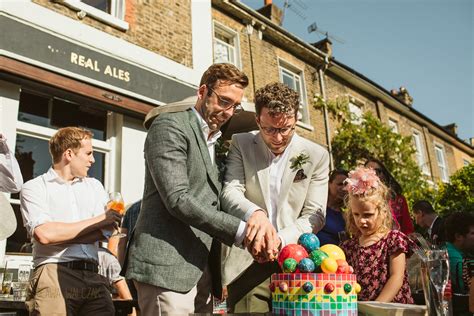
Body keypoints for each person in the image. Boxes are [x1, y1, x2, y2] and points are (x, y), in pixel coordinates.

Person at [126, 63, 277, 315]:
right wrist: (242, 232)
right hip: (166, 268)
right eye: (224, 101)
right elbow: (178, 199)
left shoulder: (215, 141)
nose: (229, 112)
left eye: (235, 106)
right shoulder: (169, 126)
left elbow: (218, 198)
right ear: (203, 91)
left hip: (203, 271)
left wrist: (256, 216)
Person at [220, 82, 330, 313]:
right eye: (269, 129)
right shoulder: (241, 143)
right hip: (248, 260)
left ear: (295, 120)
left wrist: (279, 240)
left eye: (286, 129)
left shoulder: (317, 155)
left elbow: (315, 215)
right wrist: (256, 215)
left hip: (296, 261)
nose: (278, 137)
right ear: (258, 120)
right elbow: (230, 191)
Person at [20, 127, 122, 315]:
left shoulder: (95, 186)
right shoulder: (34, 187)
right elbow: (44, 234)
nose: (92, 160)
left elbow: (108, 230)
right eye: (88, 153)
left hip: (94, 274)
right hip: (53, 272)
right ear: (69, 154)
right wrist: (99, 220)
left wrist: (60, 235)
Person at [341, 166, 414, 303]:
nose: (361, 220)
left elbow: (396, 277)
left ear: (383, 211)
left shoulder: (393, 240)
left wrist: (376, 307)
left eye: (368, 215)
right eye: (356, 214)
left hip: (391, 309)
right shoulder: (349, 246)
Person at [365, 158, 414, 235]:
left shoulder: (398, 200)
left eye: (377, 171)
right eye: (368, 172)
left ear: (384, 175)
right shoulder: (359, 199)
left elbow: (407, 229)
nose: (373, 175)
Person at [444, 211, 474, 294]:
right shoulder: (454, 257)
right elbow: (466, 290)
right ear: (458, 236)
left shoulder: (458, 250)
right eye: (473, 233)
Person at [317, 169, 348, 245]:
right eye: (340, 184)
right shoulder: (317, 206)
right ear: (329, 184)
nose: (343, 188)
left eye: (346, 185)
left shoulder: (347, 214)